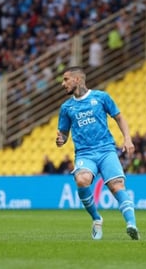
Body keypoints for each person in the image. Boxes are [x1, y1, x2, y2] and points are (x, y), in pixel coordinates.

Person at [56, 66, 139, 240]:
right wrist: (61, 140)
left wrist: (127, 139)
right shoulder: (66, 107)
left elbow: (119, 117)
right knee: (81, 180)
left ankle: (131, 225)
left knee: (116, 186)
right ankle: (96, 218)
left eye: (66, 79)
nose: (63, 84)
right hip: (84, 153)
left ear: (77, 79)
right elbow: (63, 133)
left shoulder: (101, 97)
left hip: (106, 149)